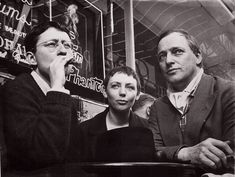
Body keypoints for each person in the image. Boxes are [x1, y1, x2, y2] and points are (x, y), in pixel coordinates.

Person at [2, 21, 86, 171]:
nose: (63, 51)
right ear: (31, 58)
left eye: (67, 45)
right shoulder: (16, 90)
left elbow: (73, 156)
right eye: (52, 44)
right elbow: (41, 155)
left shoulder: (64, 97)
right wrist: (57, 90)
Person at [149, 29, 235, 173]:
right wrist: (186, 153)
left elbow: (231, 155)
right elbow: (152, 152)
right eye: (162, 56)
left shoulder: (228, 92)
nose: (168, 61)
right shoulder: (157, 107)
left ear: (198, 57)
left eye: (177, 51)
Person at [80, 66, 149, 161]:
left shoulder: (149, 129)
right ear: (104, 91)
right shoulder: (83, 131)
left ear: (137, 95)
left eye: (130, 87)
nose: (122, 92)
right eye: (115, 86)